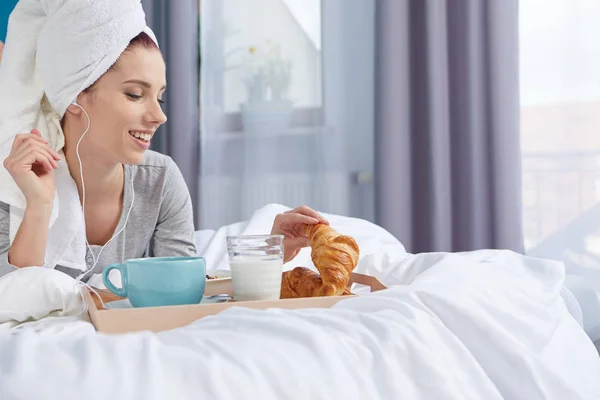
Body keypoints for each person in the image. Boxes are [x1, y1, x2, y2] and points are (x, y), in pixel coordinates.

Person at [0, 30, 327, 284]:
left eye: (160, 98)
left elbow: (185, 286)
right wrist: (39, 206)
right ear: (73, 96)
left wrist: (266, 251)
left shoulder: (159, 179)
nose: (159, 116)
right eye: (134, 94)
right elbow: (15, 298)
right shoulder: (17, 178)